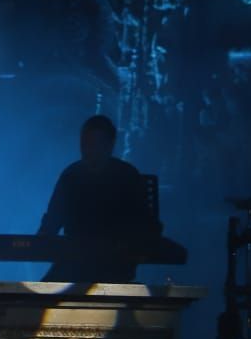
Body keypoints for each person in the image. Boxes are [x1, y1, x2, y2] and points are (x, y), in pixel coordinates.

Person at [36, 115, 160, 282]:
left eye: (95, 144)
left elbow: (147, 226)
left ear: (109, 146)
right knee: (37, 298)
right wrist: (40, 239)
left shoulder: (127, 177)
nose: (88, 150)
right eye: (85, 144)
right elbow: (52, 221)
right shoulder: (71, 176)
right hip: (74, 263)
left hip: (115, 266)